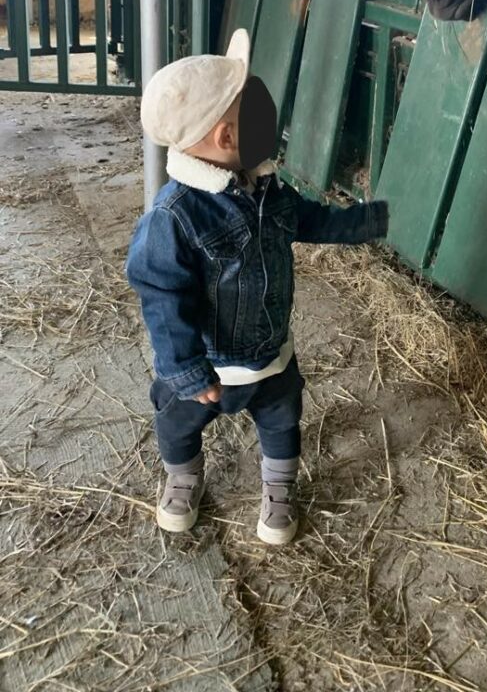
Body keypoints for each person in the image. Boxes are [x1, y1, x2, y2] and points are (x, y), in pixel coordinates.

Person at [126, 29, 388, 544]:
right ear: (227, 136)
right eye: (253, 107)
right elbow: (161, 296)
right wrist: (184, 369)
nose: (267, 116)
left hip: (271, 355)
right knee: (177, 423)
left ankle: (279, 490)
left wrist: (367, 222)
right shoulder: (172, 217)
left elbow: (308, 220)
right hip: (208, 365)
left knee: (283, 421)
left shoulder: (266, 186)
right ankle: (183, 478)